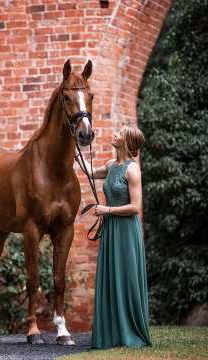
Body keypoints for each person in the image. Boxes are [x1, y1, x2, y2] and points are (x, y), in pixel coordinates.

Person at [76, 123, 152, 349]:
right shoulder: (111, 165)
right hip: (111, 231)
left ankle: (130, 332)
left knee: (126, 277)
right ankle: (111, 333)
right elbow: (90, 172)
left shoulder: (132, 170)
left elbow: (135, 207)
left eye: (119, 133)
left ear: (127, 142)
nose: (115, 134)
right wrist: (75, 154)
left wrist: (106, 210)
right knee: (111, 276)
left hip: (127, 231)